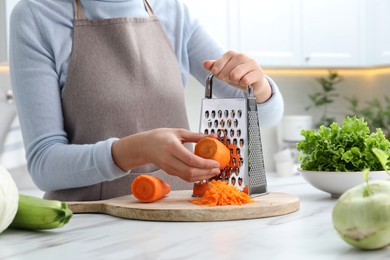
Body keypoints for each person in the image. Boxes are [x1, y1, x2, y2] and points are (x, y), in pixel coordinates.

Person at [9, 0, 284, 201]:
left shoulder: (173, 12)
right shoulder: (36, 16)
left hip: (179, 218)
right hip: (88, 230)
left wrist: (258, 86)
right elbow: (43, 165)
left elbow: (266, 117)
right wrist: (136, 150)